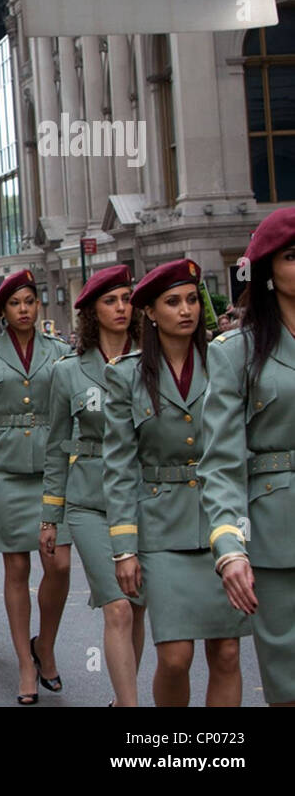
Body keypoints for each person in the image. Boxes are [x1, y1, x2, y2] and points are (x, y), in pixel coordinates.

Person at [104, 260, 250, 706]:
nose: (185, 310)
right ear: (149, 311)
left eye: (191, 299)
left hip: (220, 525)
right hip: (160, 528)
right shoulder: (126, 374)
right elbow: (119, 466)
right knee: (175, 656)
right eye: (172, 302)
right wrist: (124, 547)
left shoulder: (225, 361)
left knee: (226, 652)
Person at [200, 207, 295, 707]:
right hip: (278, 538)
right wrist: (230, 547)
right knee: (289, 682)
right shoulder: (236, 351)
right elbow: (220, 461)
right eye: (292, 256)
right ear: (267, 273)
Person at [0, 270, 72, 704]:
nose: (24, 309)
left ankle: (43, 643)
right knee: (17, 568)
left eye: (30, 301)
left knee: (59, 565)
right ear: (3, 311)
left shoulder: (61, 352)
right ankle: (26, 667)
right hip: (3, 472)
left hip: (51, 468)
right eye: (15, 303)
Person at [41, 265, 146, 707]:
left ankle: (124, 698)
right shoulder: (68, 372)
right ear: (91, 312)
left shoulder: (152, 361)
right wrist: (51, 516)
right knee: (118, 605)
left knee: (137, 606)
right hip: (88, 502)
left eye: (127, 298)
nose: (121, 307)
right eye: (111, 300)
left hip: (144, 496)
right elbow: (55, 446)